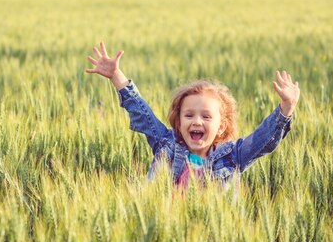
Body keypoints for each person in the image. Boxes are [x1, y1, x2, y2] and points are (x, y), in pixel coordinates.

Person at [85, 42, 300, 189]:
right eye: (189, 115)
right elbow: (141, 113)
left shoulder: (233, 156)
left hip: (213, 240)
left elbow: (263, 141)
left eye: (206, 117)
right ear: (178, 122)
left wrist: (286, 107)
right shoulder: (166, 144)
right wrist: (116, 76)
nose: (197, 121)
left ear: (222, 126)